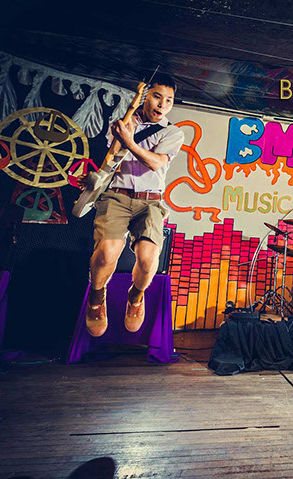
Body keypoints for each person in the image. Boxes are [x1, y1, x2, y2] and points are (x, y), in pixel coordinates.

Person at [79, 73, 184, 337]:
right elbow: (112, 157)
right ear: (145, 97)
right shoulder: (123, 124)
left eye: (169, 100)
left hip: (151, 202)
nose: (162, 104)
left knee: (148, 260)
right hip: (116, 196)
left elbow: (156, 162)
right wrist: (97, 176)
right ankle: (96, 297)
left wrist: (129, 141)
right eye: (157, 97)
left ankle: (135, 297)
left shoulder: (173, 132)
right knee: (106, 253)